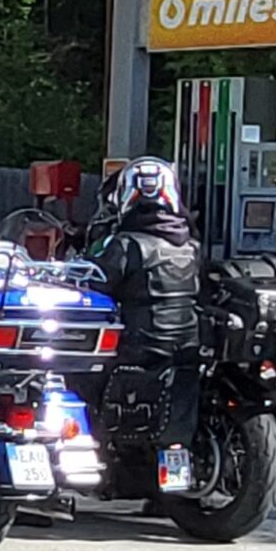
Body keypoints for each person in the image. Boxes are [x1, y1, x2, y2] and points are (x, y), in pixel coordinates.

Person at [92, 157, 203, 496]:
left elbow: (95, 285)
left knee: (77, 380)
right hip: (186, 345)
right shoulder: (191, 245)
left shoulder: (126, 245)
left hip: (139, 345)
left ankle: (98, 465)